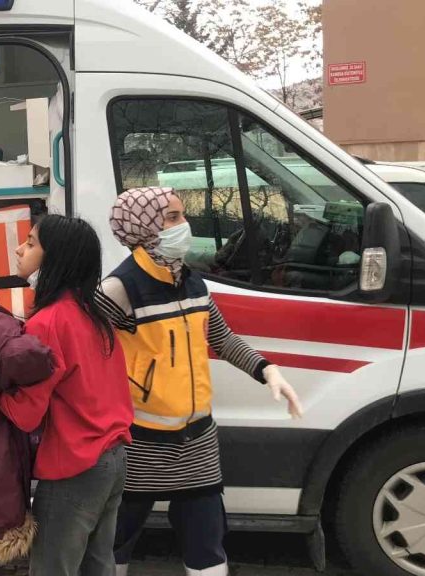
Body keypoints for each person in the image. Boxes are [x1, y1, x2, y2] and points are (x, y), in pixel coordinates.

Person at [97, 187, 304, 576]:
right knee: (115, 540)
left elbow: (221, 339)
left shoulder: (193, 283)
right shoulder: (119, 288)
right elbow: (86, 350)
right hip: (139, 442)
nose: (184, 226)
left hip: (197, 441)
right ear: (144, 227)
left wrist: (267, 370)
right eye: (172, 218)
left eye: (181, 216)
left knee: (208, 542)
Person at [0, 214, 134, 576]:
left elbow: (27, 413)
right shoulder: (93, 316)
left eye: (31, 242)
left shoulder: (47, 322)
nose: (19, 248)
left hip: (74, 466)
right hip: (112, 458)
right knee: (98, 563)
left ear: (55, 257)